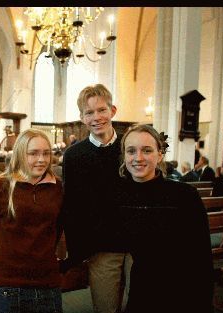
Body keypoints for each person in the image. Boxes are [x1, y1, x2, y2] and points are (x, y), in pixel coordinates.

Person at [113, 124, 213, 313]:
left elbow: (202, 259)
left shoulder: (185, 196)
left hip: (181, 291)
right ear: (124, 156)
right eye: (131, 151)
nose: (138, 158)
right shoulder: (120, 196)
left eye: (147, 150)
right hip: (142, 288)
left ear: (160, 155)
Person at [0, 129, 64, 313]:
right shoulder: (0, 186)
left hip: (46, 283)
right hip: (3, 285)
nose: (41, 159)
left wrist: (48, 256)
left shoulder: (57, 188)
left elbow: (57, 228)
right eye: (33, 153)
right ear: (19, 154)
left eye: (46, 153)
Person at [61, 83, 131, 313]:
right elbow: (71, 206)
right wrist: (77, 252)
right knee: (106, 308)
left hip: (137, 244)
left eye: (102, 110)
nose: (96, 117)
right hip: (101, 249)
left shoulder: (130, 147)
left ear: (113, 110)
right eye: (89, 112)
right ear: (82, 118)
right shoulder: (73, 155)